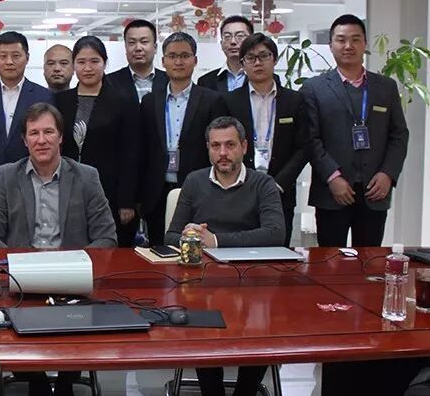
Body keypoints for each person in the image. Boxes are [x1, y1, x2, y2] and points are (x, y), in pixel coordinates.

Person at [0, 102, 116, 396]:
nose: (41, 140)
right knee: (13, 323)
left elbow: (107, 236)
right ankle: (37, 384)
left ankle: (66, 386)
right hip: (22, 277)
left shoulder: (86, 176)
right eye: (34, 133)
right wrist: (15, 266)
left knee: (77, 324)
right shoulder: (7, 176)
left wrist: (76, 266)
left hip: (72, 277)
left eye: (48, 132)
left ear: (61, 137)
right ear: (24, 140)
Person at [165, 116, 285, 396]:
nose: (223, 153)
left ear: (244, 147)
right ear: (208, 149)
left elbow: (275, 233)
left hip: (254, 280)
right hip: (204, 281)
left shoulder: (263, 184)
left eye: (230, 145)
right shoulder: (194, 181)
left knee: (263, 327)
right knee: (198, 323)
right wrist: (189, 235)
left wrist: (217, 241)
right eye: (216, 146)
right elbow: (170, 235)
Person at [301, 14, 409, 247]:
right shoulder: (313, 88)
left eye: (355, 39)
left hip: (375, 191)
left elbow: (399, 135)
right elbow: (310, 139)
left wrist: (388, 174)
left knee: (370, 260)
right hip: (332, 191)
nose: (348, 46)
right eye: (341, 40)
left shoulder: (386, 87)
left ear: (365, 44)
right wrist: (332, 177)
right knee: (330, 261)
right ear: (331, 45)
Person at [139, 31, 226, 245]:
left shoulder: (212, 100)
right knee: (159, 249)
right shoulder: (150, 102)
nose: (178, 62)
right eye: (172, 56)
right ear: (163, 61)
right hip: (157, 190)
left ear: (195, 60)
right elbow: (142, 148)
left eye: (185, 56)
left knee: (196, 248)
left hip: (198, 190)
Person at [223, 33, 309, 244]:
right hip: (239, 191)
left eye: (264, 56)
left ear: (275, 60)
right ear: (243, 63)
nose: (258, 62)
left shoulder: (294, 100)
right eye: (250, 58)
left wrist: (279, 183)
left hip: (281, 192)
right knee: (238, 250)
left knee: (278, 253)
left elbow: (304, 146)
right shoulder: (229, 101)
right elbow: (224, 145)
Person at [55, 35, 140, 246]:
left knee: (107, 248)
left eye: (94, 61)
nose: (88, 68)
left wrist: (127, 200)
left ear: (105, 63)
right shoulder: (61, 101)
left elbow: (132, 153)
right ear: (74, 65)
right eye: (81, 62)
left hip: (109, 190)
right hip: (67, 188)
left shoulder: (124, 101)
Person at [0, 31, 54, 204]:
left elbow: (48, 145)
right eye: (3, 56)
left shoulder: (44, 96)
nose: (9, 62)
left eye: (16, 56)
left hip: (34, 189)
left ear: (27, 58)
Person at [106, 18, 168, 102]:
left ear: (155, 48)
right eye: (132, 43)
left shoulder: (169, 81)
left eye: (144, 42)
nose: (138, 48)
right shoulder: (109, 82)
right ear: (125, 47)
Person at [197, 15, 252, 93]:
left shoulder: (265, 78)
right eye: (227, 36)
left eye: (240, 36)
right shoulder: (206, 82)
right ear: (221, 44)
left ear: (252, 41)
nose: (233, 42)